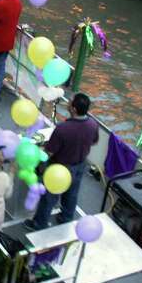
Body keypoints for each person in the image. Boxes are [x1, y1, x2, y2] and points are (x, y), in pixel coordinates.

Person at [27, 92, 99, 230]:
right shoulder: (92, 124)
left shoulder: (63, 129)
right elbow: (94, 142)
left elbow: (49, 152)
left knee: (49, 197)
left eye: (70, 102)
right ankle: (66, 217)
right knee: (72, 194)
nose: (67, 102)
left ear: (74, 109)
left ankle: (39, 224)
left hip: (60, 168)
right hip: (80, 165)